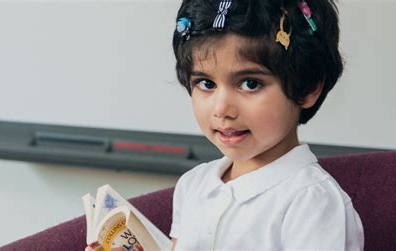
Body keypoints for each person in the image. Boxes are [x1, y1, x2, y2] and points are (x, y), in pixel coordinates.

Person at [88, 0, 364, 250]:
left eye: (250, 84)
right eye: (206, 84)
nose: (222, 109)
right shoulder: (194, 184)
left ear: (307, 88)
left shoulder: (312, 203)